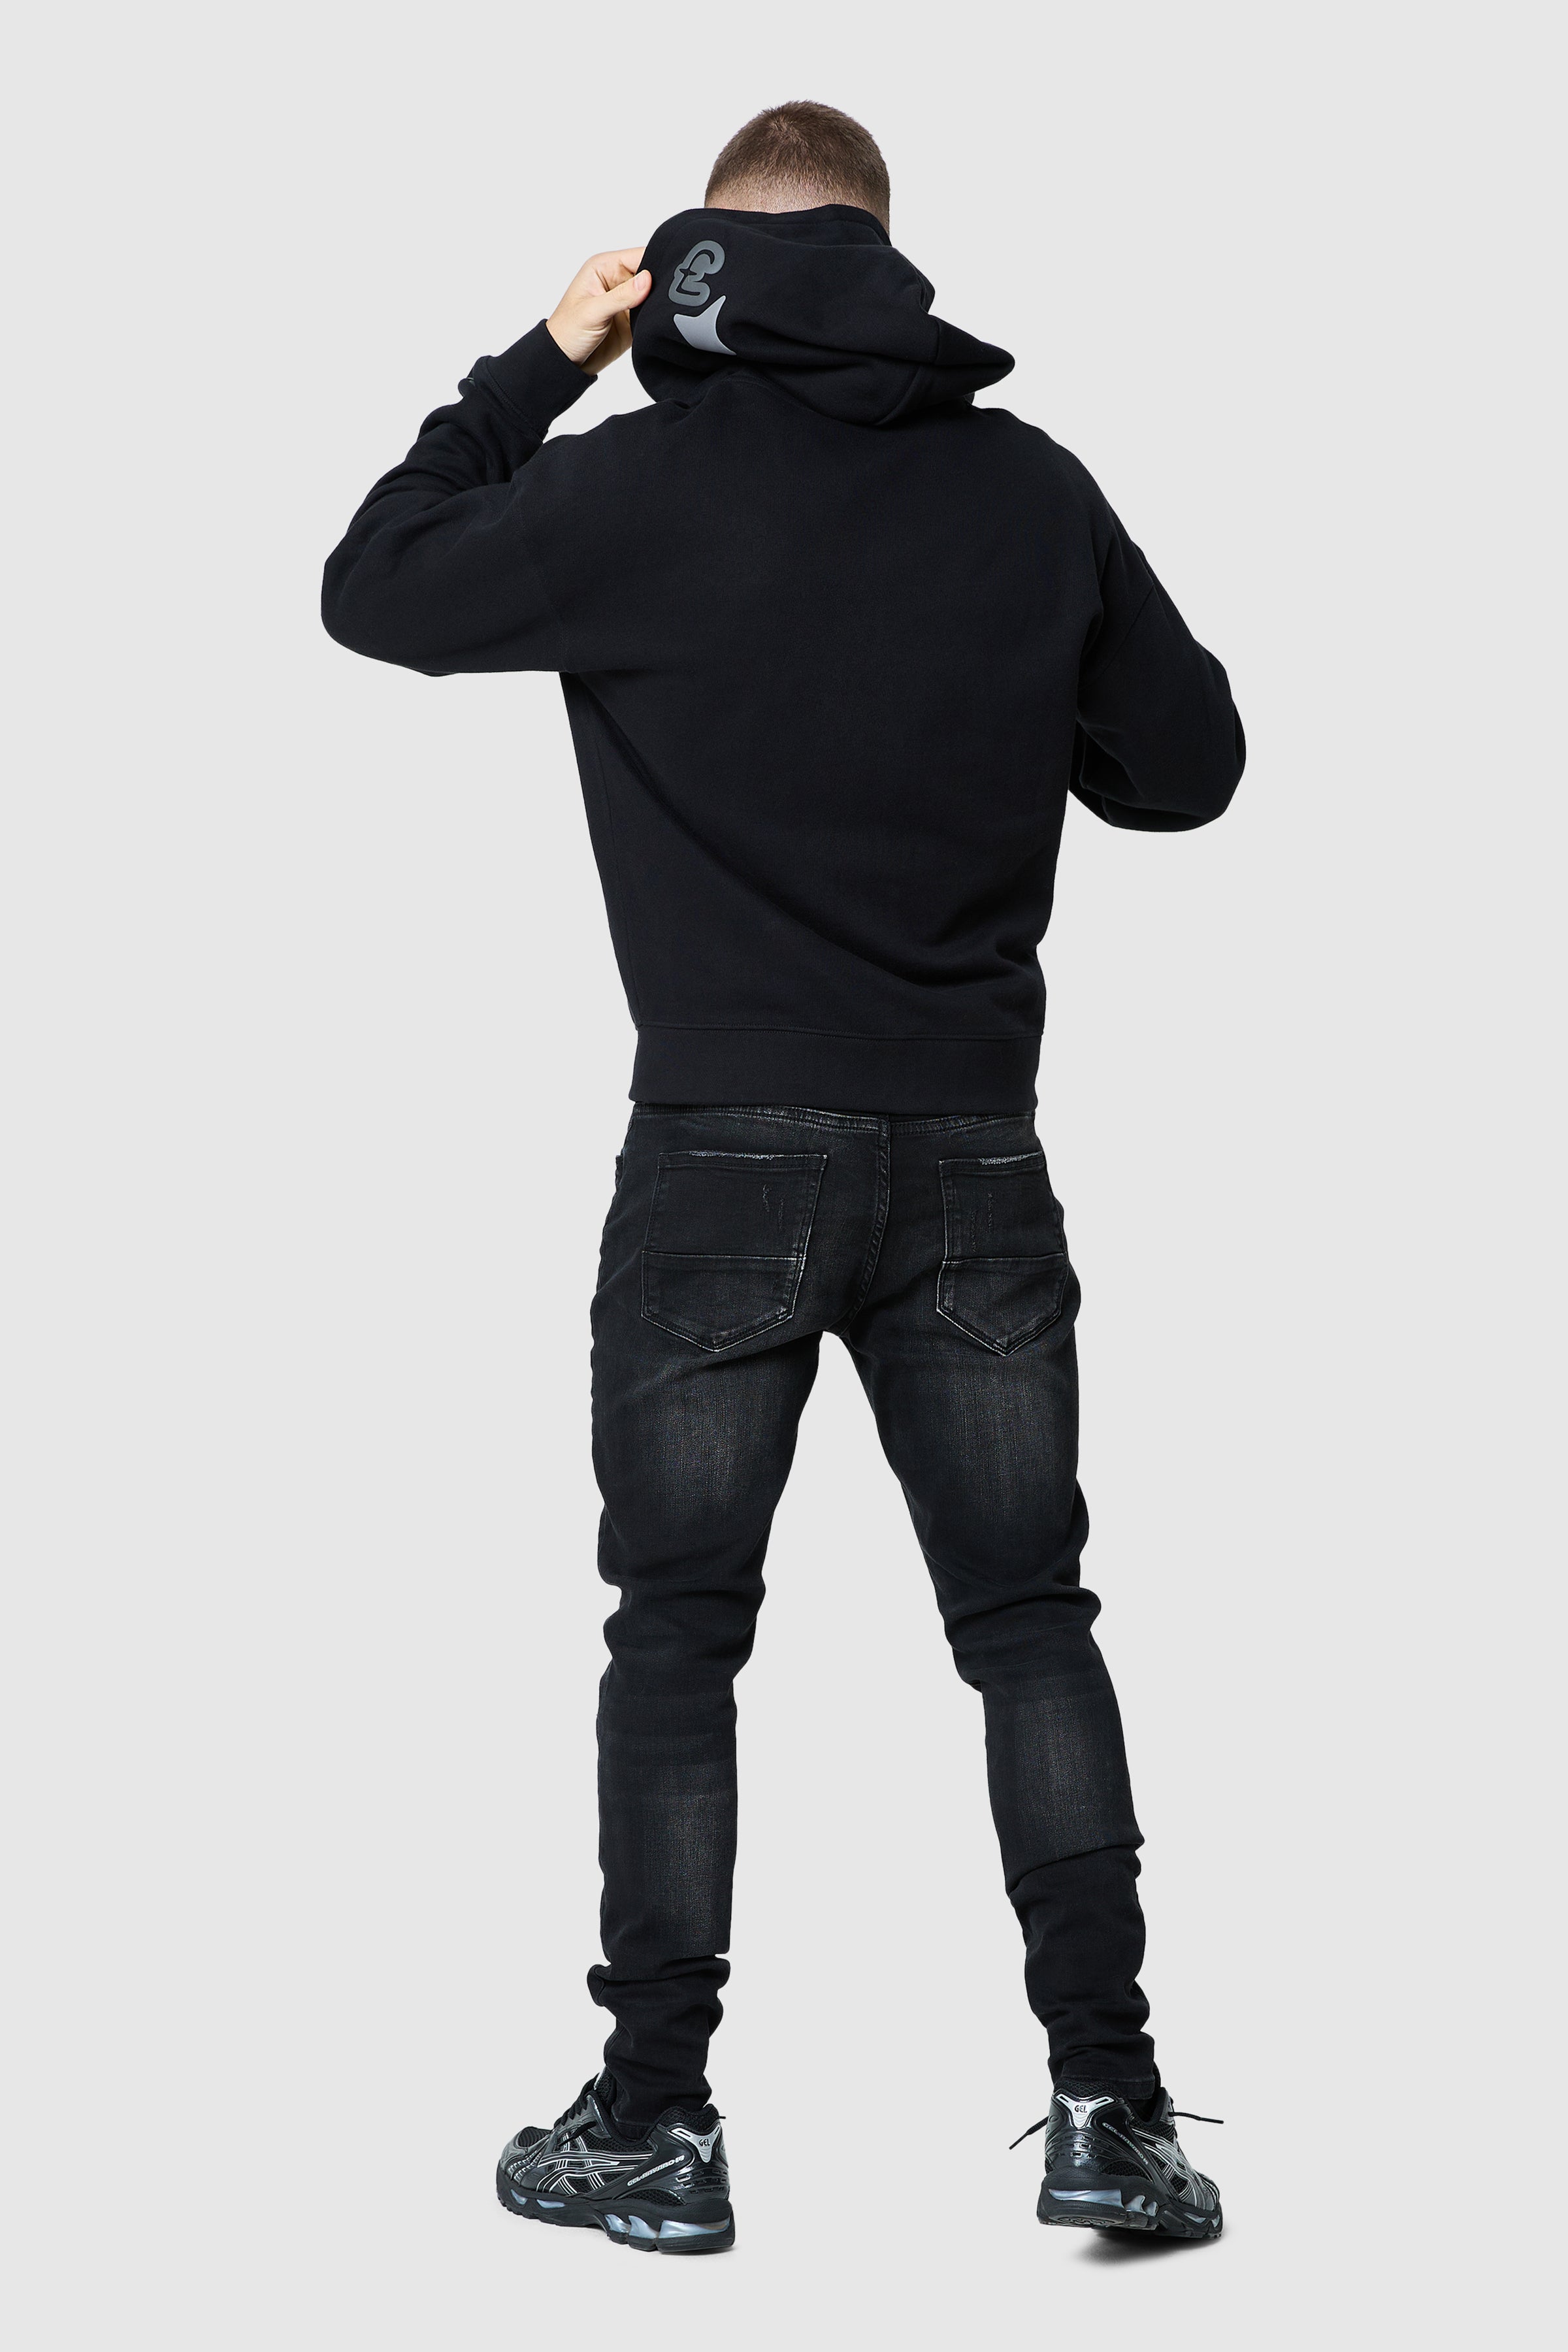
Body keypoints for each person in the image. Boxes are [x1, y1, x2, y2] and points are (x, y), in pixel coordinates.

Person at [322, 99, 1243, 2255]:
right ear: (889, 258)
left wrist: (544, 361)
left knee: (676, 1642)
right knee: (1029, 1624)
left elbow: (373, 583)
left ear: (700, 265)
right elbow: (1190, 767)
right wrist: (1008, 704)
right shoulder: (1029, 491)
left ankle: (657, 2123)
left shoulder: (632, 487)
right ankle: (1112, 2110)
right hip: (974, 1158)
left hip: (719, 1158)